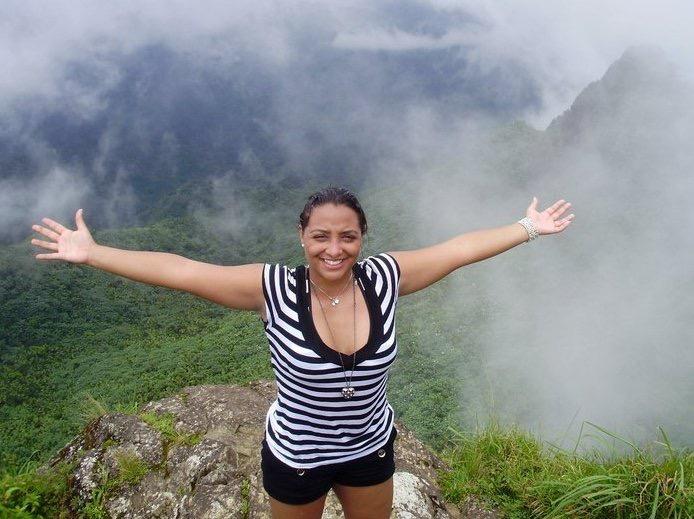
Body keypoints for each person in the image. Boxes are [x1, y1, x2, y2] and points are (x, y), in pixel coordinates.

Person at [30, 186, 574, 518]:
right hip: (297, 455)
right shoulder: (273, 290)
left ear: (363, 238)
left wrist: (528, 227)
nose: (333, 249)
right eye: (321, 236)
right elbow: (187, 272)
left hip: (369, 447)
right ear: (302, 237)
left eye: (347, 236)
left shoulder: (386, 277)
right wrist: (96, 254)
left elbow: (456, 250)